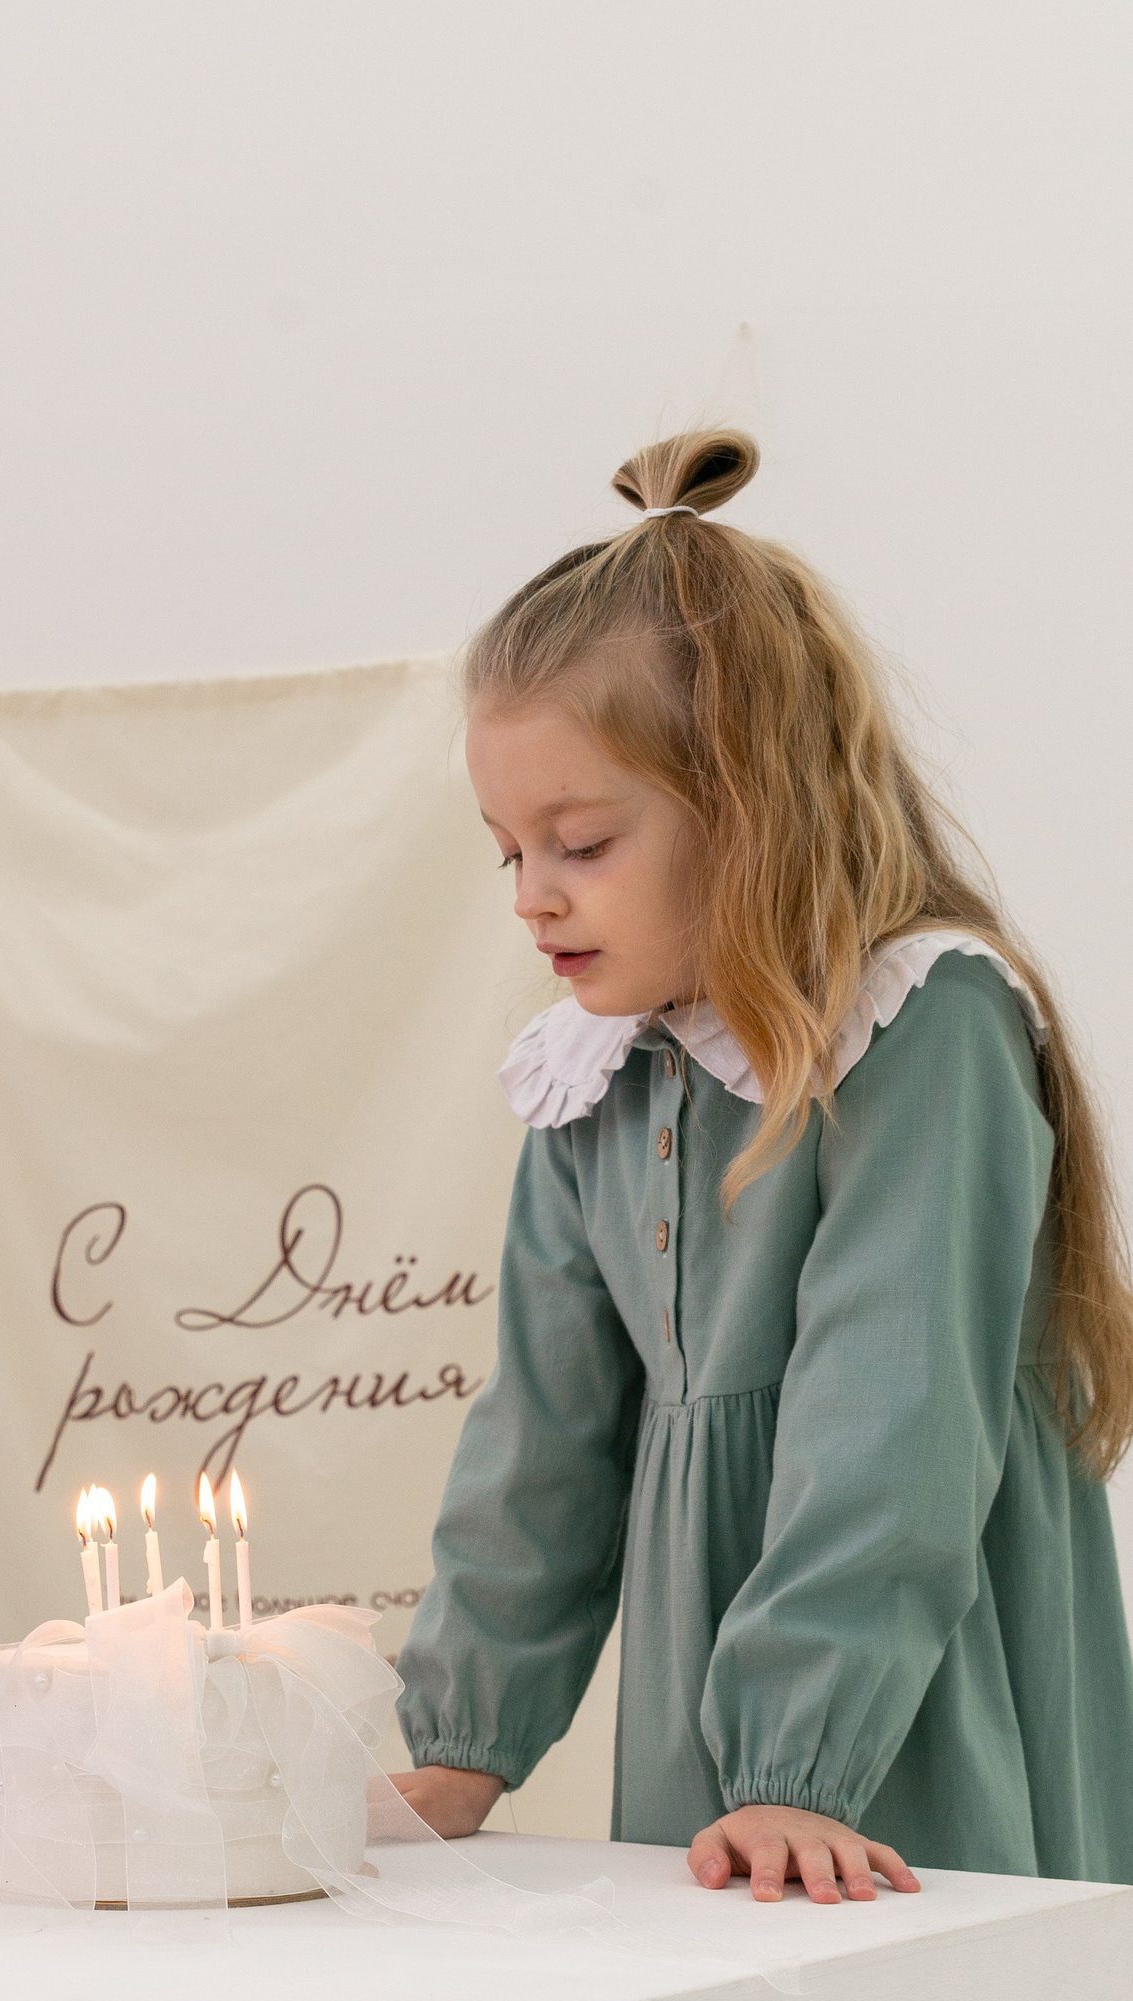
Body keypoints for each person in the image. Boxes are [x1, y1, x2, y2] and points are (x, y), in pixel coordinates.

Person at [394, 430, 1133, 1906]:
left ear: (750, 801)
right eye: (508, 853)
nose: (533, 897)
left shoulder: (927, 1026)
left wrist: (800, 1755)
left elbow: (893, 1422)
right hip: (725, 1746)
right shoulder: (595, 1070)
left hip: (899, 1703)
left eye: (581, 843)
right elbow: (542, 1441)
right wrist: (461, 1747)